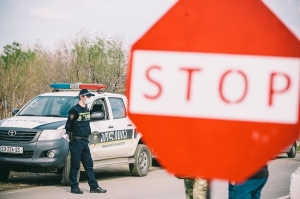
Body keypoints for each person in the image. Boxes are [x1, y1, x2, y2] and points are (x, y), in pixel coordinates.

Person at [65, 88, 107, 194]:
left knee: (89, 165)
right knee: (75, 165)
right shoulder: (74, 110)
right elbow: (68, 126)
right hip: (76, 142)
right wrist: (72, 137)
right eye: (87, 96)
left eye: (89, 96)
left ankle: (94, 187)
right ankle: (74, 186)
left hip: (85, 142)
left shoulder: (87, 109)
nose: (89, 98)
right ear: (81, 97)